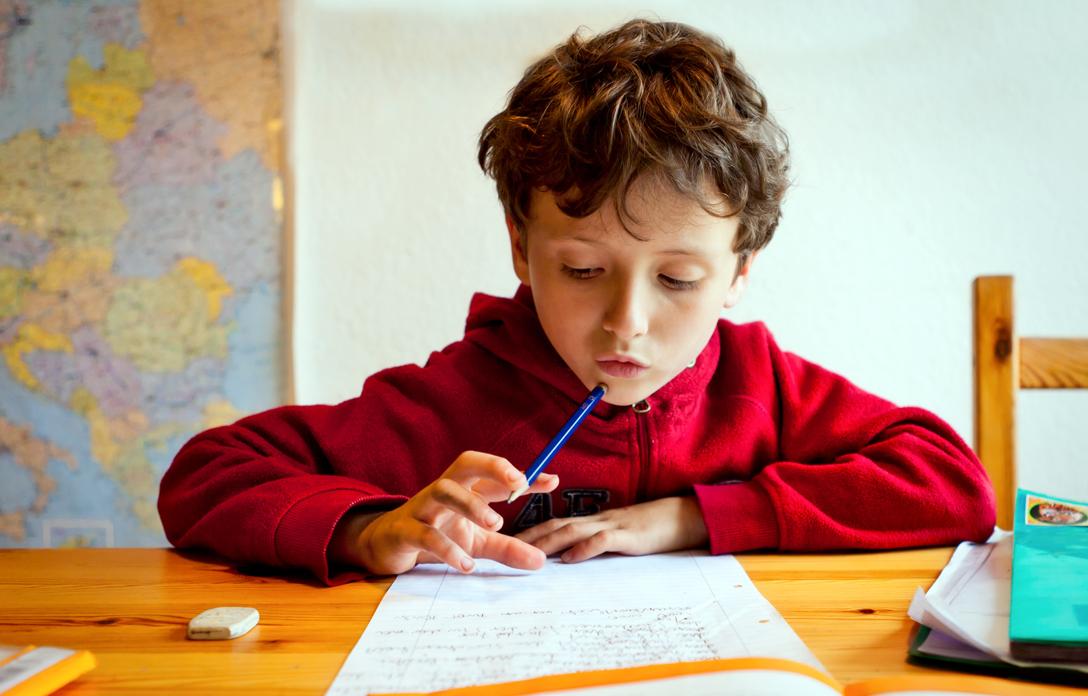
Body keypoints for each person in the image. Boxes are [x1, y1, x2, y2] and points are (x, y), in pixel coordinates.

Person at [158, 19, 995, 585]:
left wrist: (688, 520)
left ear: (740, 269)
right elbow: (206, 474)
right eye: (583, 271)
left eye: (677, 280)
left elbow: (953, 483)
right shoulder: (457, 396)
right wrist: (369, 529)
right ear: (522, 249)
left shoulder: (758, 384)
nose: (627, 323)